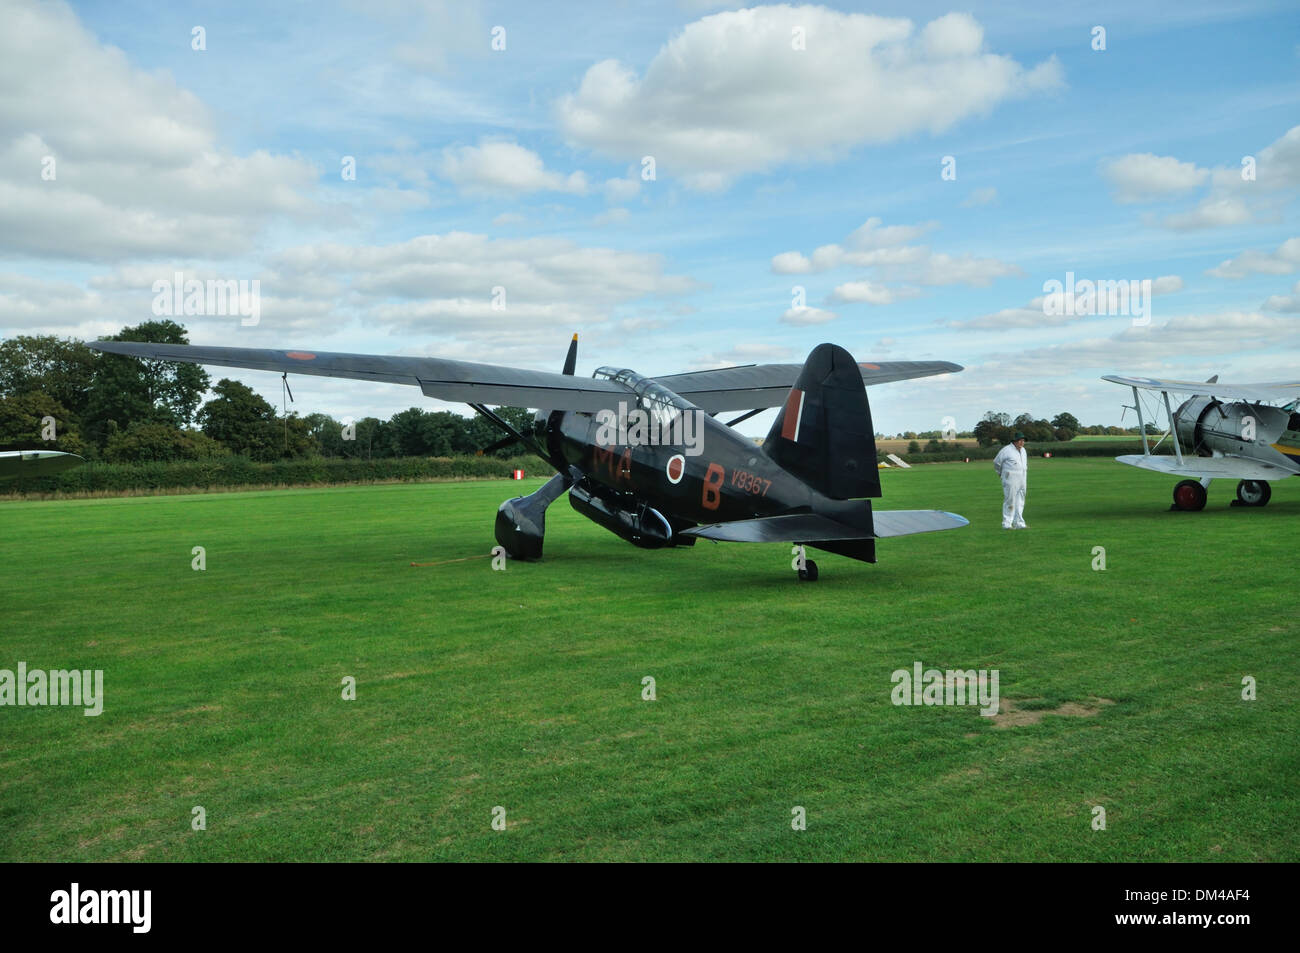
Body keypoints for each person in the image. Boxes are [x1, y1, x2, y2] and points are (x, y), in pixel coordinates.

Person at [992, 432, 1028, 529]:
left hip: (1022, 477)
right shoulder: (1006, 450)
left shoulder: (1023, 450)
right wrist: (1001, 474)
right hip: (1010, 478)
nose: (1022, 442)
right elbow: (996, 462)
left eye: (1023, 440)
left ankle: (1019, 523)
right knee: (1010, 500)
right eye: (1020, 440)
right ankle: (1007, 524)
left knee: (1020, 500)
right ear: (1015, 441)